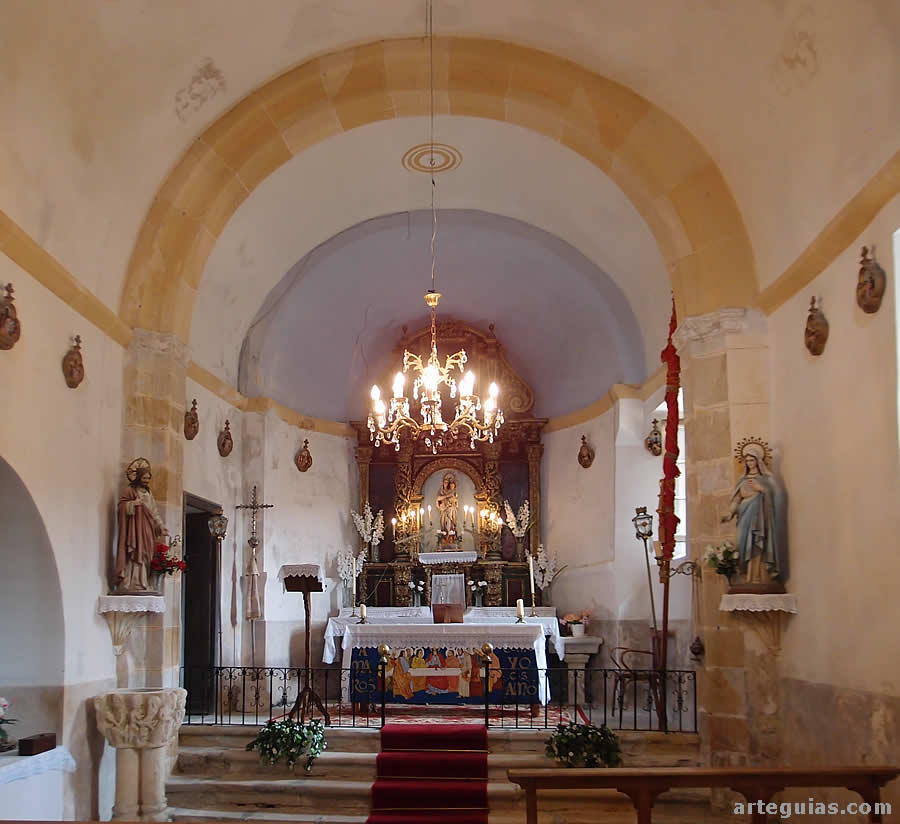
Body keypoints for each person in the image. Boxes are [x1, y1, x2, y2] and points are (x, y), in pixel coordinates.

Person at [721, 443, 787, 585]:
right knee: (744, 545)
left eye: (752, 460)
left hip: (761, 517)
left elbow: (777, 496)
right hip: (745, 516)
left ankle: (760, 577)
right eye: (747, 460)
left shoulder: (766, 478)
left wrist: (762, 489)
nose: (750, 463)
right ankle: (748, 576)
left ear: (758, 461)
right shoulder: (742, 479)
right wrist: (730, 514)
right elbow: (737, 499)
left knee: (758, 544)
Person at [115, 458, 168, 593]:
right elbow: (121, 507)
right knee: (134, 552)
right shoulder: (129, 491)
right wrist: (133, 504)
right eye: (144, 478)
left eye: (148, 478)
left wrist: (161, 526)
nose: (146, 481)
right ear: (138, 477)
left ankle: (142, 581)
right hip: (134, 528)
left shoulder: (149, 493)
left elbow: (154, 512)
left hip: (147, 528)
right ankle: (130, 581)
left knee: (145, 554)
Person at [436, 472, 459, 537]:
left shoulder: (451, 491)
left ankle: (451, 533)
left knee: (450, 521)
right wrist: (446, 496)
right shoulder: (440, 491)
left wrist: (450, 501)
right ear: (443, 483)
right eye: (444, 482)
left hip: (450, 509)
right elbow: (438, 498)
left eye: (447, 482)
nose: (446, 484)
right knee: (443, 522)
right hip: (443, 509)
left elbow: (455, 500)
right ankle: (444, 533)